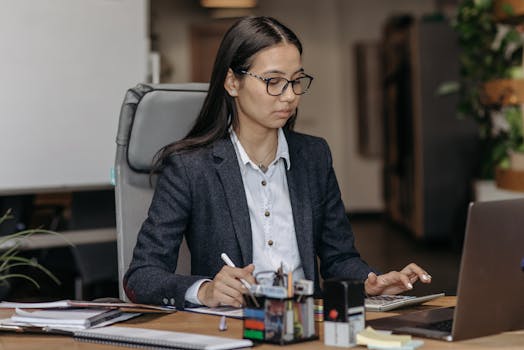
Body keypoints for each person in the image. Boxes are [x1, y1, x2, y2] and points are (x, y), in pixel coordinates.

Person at [123, 16, 432, 310]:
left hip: (309, 325)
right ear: (232, 82)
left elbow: (339, 259)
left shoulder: (313, 157)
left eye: (296, 81)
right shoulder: (190, 167)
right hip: (234, 328)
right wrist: (204, 290)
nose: (289, 96)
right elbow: (141, 276)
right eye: (273, 81)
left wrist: (370, 282)